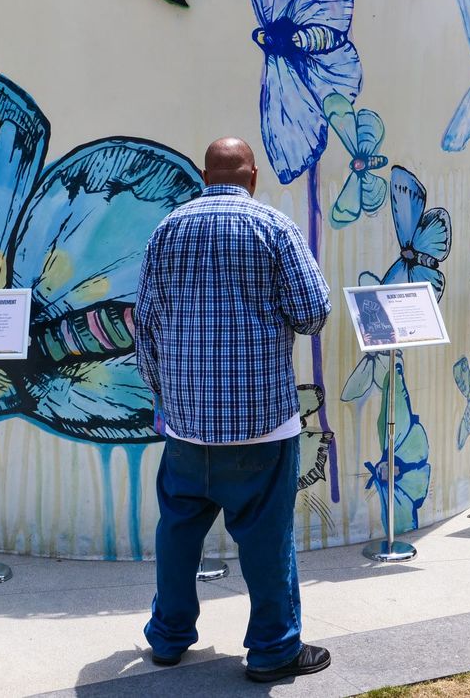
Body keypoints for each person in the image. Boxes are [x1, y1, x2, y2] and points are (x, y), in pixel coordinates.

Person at [135, 136, 332, 683]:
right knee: (267, 543)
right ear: (252, 177)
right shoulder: (273, 228)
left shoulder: (167, 230)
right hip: (261, 429)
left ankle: (169, 640)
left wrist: (168, 399)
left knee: (176, 535)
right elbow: (313, 313)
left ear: (205, 174)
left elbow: (144, 325)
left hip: (187, 430)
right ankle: (272, 650)